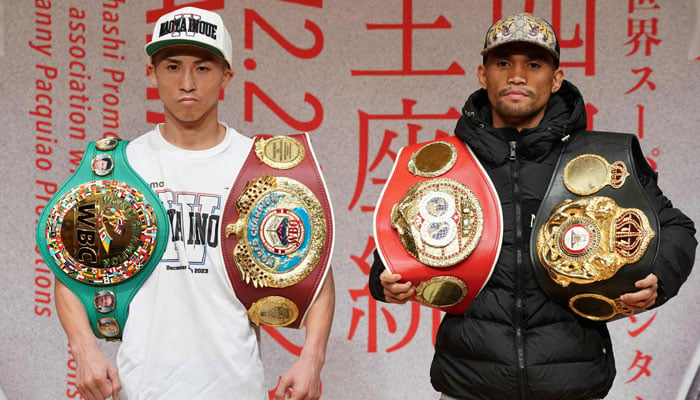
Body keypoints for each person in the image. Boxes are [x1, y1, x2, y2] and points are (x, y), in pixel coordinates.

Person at [369, 13, 696, 400]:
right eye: (503, 63)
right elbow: (398, 244)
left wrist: (658, 276)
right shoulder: (448, 161)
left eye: (534, 65)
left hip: (571, 383)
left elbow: (676, 229)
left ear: (556, 79)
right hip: (470, 383)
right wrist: (385, 280)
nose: (517, 76)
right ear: (482, 74)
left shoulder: (600, 159)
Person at [54, 7, 334, 400]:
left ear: (226, 76)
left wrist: (312, 358)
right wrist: (84, 349)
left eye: (202, 68)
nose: (186, 82)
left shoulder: (256, 165)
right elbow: (70, 270)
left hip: (236, 388)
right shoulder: (123, 167)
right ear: (151, 73)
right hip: (140, 389)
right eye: (172, 66)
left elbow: (315, 272)